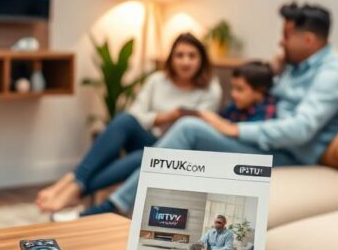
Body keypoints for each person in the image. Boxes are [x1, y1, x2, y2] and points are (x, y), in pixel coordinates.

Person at [82, 2, 338, 216]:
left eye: (286, 36)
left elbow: (300, 130)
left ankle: (110, 204)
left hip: (289, 156)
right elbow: (267, 98)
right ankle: (102, 198)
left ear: (308, 40)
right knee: (162, 132)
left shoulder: (332, 75)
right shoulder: (295, 67)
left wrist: (235, 129)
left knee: (188, 128)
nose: (280, 43)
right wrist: (273, 69)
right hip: (266, 143)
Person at [36, 33, 221, 213]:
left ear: (201, 60)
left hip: (175, 151)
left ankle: (73, 185)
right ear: (171, 58)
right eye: (179, 55)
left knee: (145, 156)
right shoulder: (157, 80)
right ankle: (75, 184)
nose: (185, 61)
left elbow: (198, 129)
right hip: (148, 137)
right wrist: (168, 116)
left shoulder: (210, 89)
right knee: (125, 120)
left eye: (192, 56)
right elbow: (136, 114)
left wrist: (167, 118)